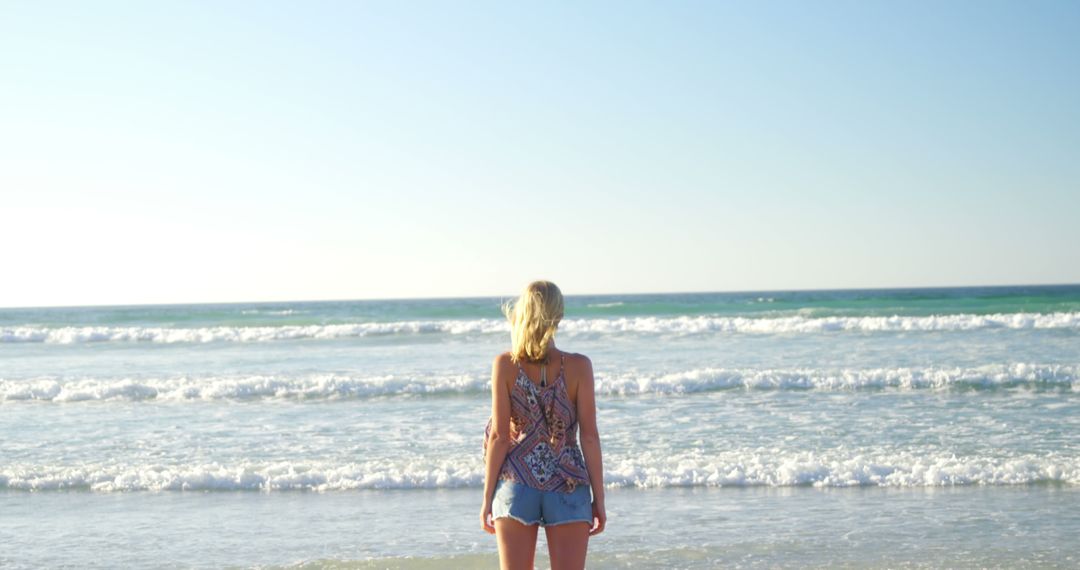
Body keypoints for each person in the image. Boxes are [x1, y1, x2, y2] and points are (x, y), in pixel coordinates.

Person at [480, 280, 606, 570]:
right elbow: (589, 437)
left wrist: (487, 499)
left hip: (517, 482)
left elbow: (499, 437)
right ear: (558, 316)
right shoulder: (579, 366)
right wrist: (599, 499)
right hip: (567, 482)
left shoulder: (505, 364)